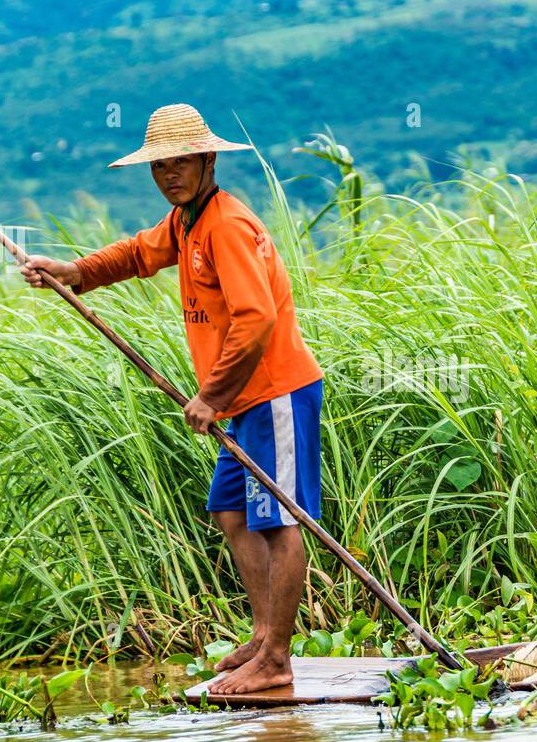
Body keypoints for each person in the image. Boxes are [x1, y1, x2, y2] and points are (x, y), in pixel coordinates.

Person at [20, 104, 323, 694]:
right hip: (241, 401)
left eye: (180, 161)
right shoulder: (187, 221)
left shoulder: (226, 225)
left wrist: (210, 395)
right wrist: (74, 272)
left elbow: (256, 319)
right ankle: (263, 636)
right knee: (231, 512)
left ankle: (278, 658)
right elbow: (137, 254)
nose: (168, 174)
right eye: (159, 165)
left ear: (208, 159)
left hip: (276, 391)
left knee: (281, 520)